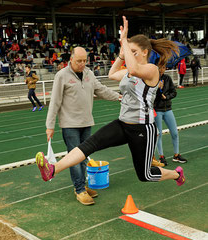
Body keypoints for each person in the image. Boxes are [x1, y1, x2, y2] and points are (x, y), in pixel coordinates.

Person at [35, 17, 185, 202]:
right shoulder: (130, 70)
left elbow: (134, 68)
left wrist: (124, 41)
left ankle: (177, 175)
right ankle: (52, 169)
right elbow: (112, 74)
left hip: (142, 129)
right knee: (88, 145)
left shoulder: (151, 70)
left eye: (134, 52)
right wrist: (122, 53)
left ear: (145, 52)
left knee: (145, 175)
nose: (129, 54)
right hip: (122, 124)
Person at [43, 46, 120, 206]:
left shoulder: (89, 74)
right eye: (79, 61)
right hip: (70, 125)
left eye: (85, 61)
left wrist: (118, 97)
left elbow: (101, 90)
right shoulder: (61, 76)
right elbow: (55, 102)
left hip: (87, 123)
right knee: (74, 158)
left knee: (84, 157)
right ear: (71, 59)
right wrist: (50, 125)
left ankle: (82, 185)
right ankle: (79, 190)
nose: (82, 64)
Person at [154, 71, 187, 166]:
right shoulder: (152, 79)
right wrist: (157, 88)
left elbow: (174, 92)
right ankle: (161, 157)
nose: (162, 69)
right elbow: (148, 96)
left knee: (175, 133)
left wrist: (166, 97)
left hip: (168, 109)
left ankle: (176, 155)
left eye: (164, 67)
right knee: (158, 134)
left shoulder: (167, 78)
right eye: (160, 67)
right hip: (157, 110)